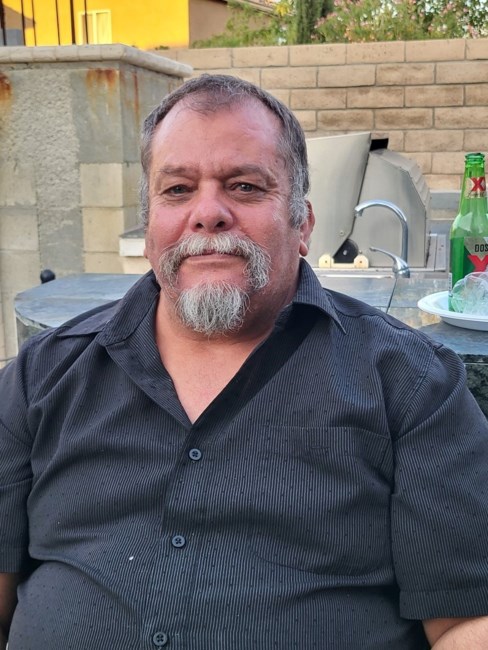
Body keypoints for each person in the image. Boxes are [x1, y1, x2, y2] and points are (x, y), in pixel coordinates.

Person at [1, 74, 488, 650]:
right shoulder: (40, 377)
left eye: (245, 186)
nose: (208, 213)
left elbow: (465, 621)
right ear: (150, 229)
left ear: (303, 224)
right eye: (178, 189)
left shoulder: (413, 385)